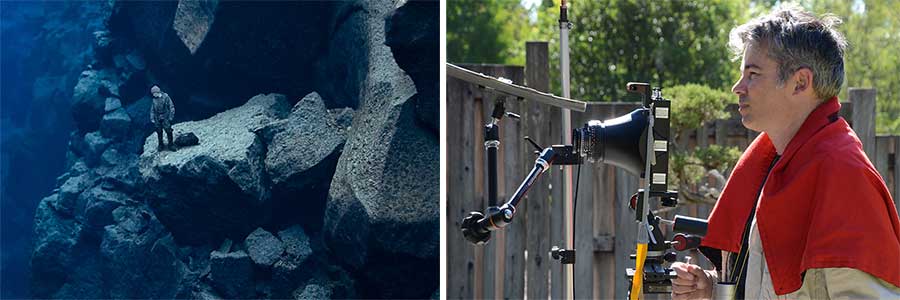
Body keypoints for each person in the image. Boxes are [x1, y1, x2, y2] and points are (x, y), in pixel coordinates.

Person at [670, 4, 900, 299]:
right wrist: (713, 289)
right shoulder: (769, 162)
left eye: (753, 74)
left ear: (800, 82)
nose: (737, 87)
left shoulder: (843, 174)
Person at [150, 85, 175, 151]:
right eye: (152, 94)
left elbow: (171, 107)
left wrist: (170, 117)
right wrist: (152, 118)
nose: (153, 95)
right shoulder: (154, 100)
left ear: (158, 92)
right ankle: (160, 144)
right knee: (159, 131)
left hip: (165, 116)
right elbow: (152, 110)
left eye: (154, 93)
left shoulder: (166, 97)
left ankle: (171, 144)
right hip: (157, 118)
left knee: (168, 130)